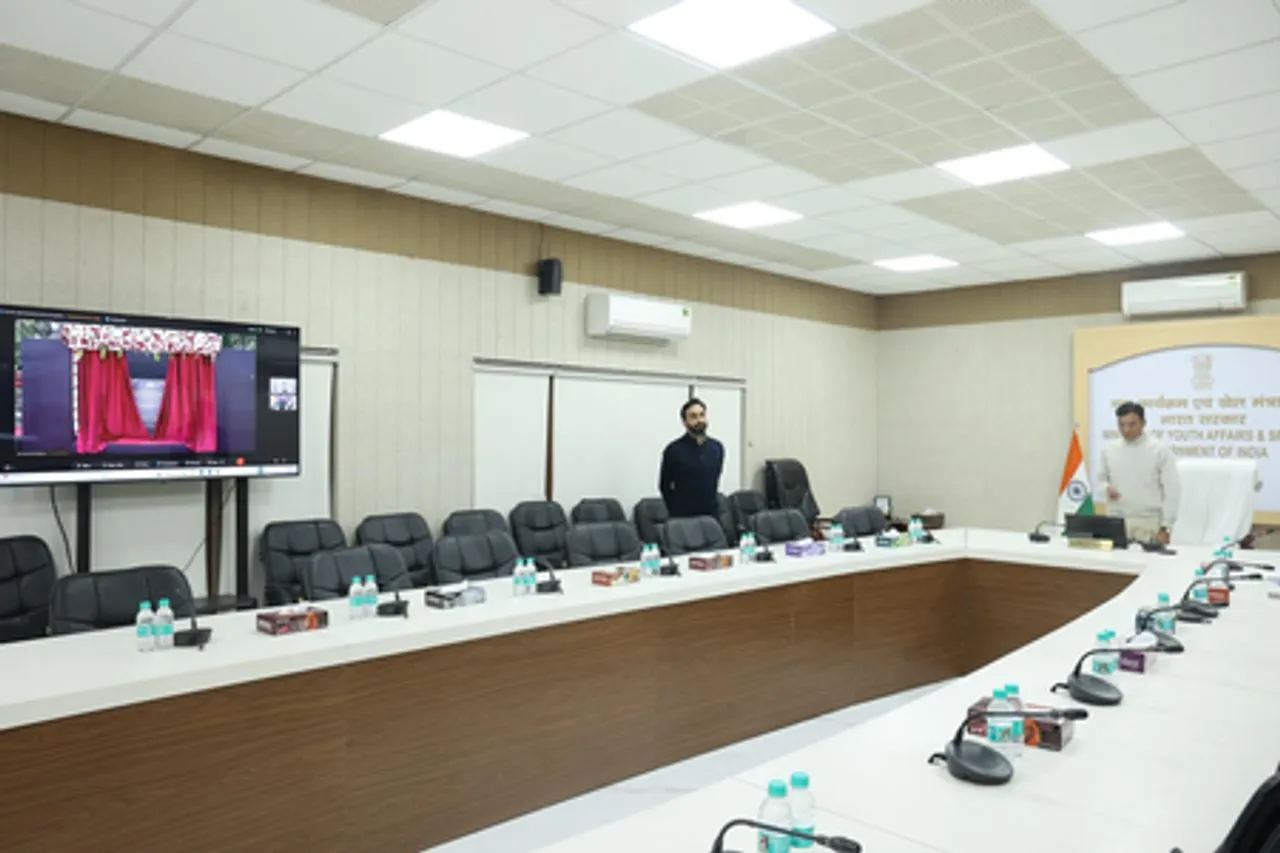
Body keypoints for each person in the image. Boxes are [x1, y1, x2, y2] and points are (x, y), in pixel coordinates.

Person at [1098, 401, 1181, 544]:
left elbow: (1172, 491)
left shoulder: (1160, 451)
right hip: (1116, 521)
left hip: (1149, 523)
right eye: (1121, 425)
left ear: (1143, 423)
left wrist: (1166, 527)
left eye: (1131, 424)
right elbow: (1100, 479)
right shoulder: (1109, 450)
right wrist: (1106, 488)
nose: (1126, 430)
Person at [659, 398, 724, 519]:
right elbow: (664, 485)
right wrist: (675, 510)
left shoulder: (717, 448)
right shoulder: (673, 450)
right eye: (693, 416)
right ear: (685, 422)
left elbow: (715, 478)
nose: (699, 420)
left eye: (702, 415)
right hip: (683, 516)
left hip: (711, 514)